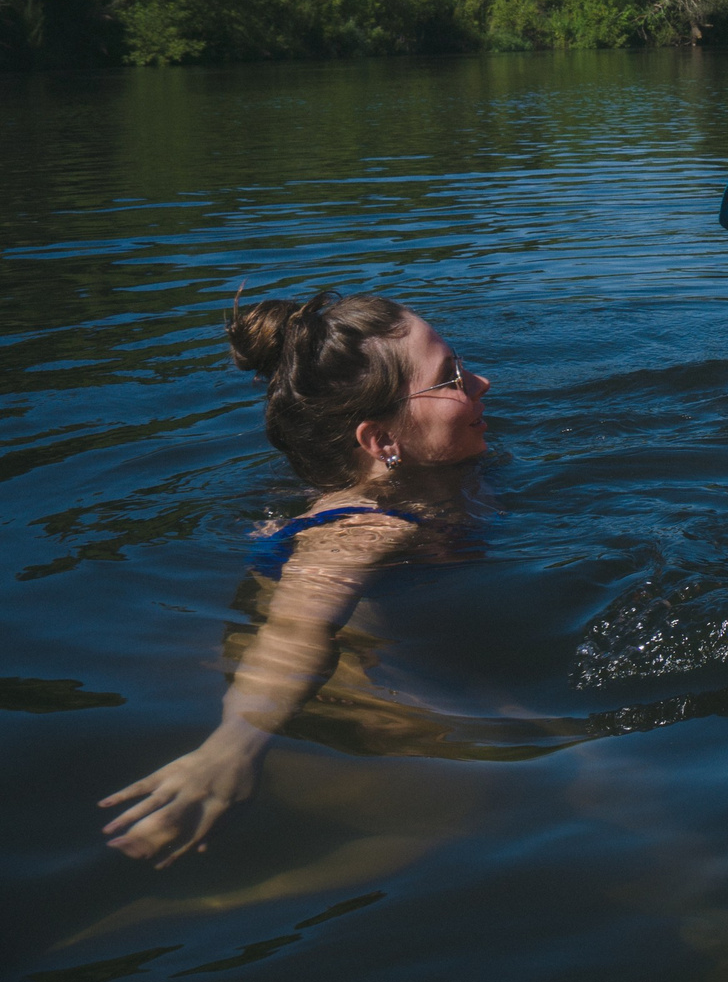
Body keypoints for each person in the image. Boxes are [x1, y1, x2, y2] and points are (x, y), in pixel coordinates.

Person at [99, 291, 490, 866]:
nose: (480, 381)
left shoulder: (431, 476)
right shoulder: (362, 527)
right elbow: (296, 630)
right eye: (450, 377)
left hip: (360, 658)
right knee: (517, 790)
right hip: (318, 682)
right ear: (381, 441)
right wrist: (232, 747)